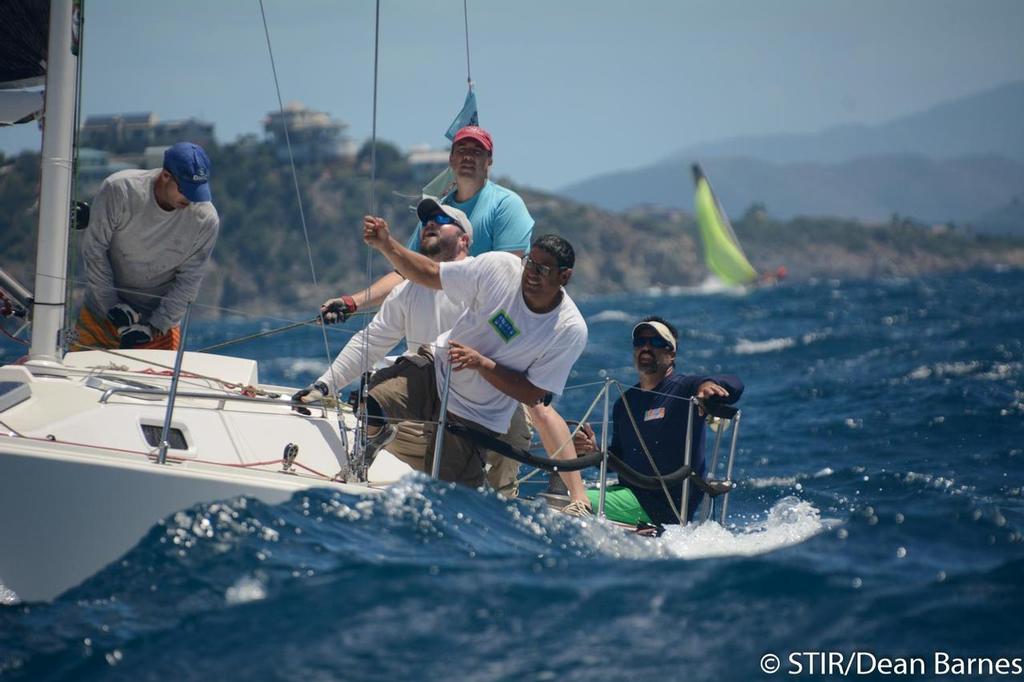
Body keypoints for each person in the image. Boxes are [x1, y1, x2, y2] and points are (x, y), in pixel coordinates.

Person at [292, 199, 531, 496]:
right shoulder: (407, 291)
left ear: (464, 240)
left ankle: (498, 504)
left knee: (514, 443)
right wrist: (325, 385)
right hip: (430, 399)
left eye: (442, 218)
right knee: (371, 407)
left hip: (488, 396)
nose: (430, 222)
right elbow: (372, 340)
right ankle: (448, 478)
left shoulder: (483, 278)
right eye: (425, 220)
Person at [356, 216, 587, 488]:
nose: (532, 274)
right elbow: (431, 273)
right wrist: (387, 244)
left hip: (476, 414)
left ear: (565, 276)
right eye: (530, 264)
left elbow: (533, 393)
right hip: (437, 369)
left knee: (447, 497)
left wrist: (481, 364)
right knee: (371, 402)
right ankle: (369, 448)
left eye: (544, 270)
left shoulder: (569, 329)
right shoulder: (499, 267)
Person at [320, 125, 534, 323]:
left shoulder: (506, 205)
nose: (468, 156)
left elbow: (506, 275)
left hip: (489, 325)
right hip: (445, 324)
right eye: (461, 150)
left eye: (477, 151)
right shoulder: (438, 212)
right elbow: (406, 271)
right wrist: (353, 302)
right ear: (451, 159)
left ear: (489, 160)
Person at [568, 316, 744, 525]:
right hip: (629, 494)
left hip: (663, 506)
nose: (646, 347)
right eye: (640, 342)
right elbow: (619, 461)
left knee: (571, 500)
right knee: (565, 490)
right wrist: (593, 452)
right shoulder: (625, 402)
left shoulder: (686, 388)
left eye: (657, 342)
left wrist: (709, 386)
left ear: (672, 353)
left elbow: (736, 384)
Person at [75, 142, 219, 350]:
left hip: (159, 329)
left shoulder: (205, 219)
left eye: (197, 191)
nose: (190, 198)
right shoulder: (119, 190)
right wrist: (112, 307)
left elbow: (188, 282)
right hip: (100, 317)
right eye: (185, 189)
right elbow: (94, 250)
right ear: (166, 175)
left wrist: (154, 327)